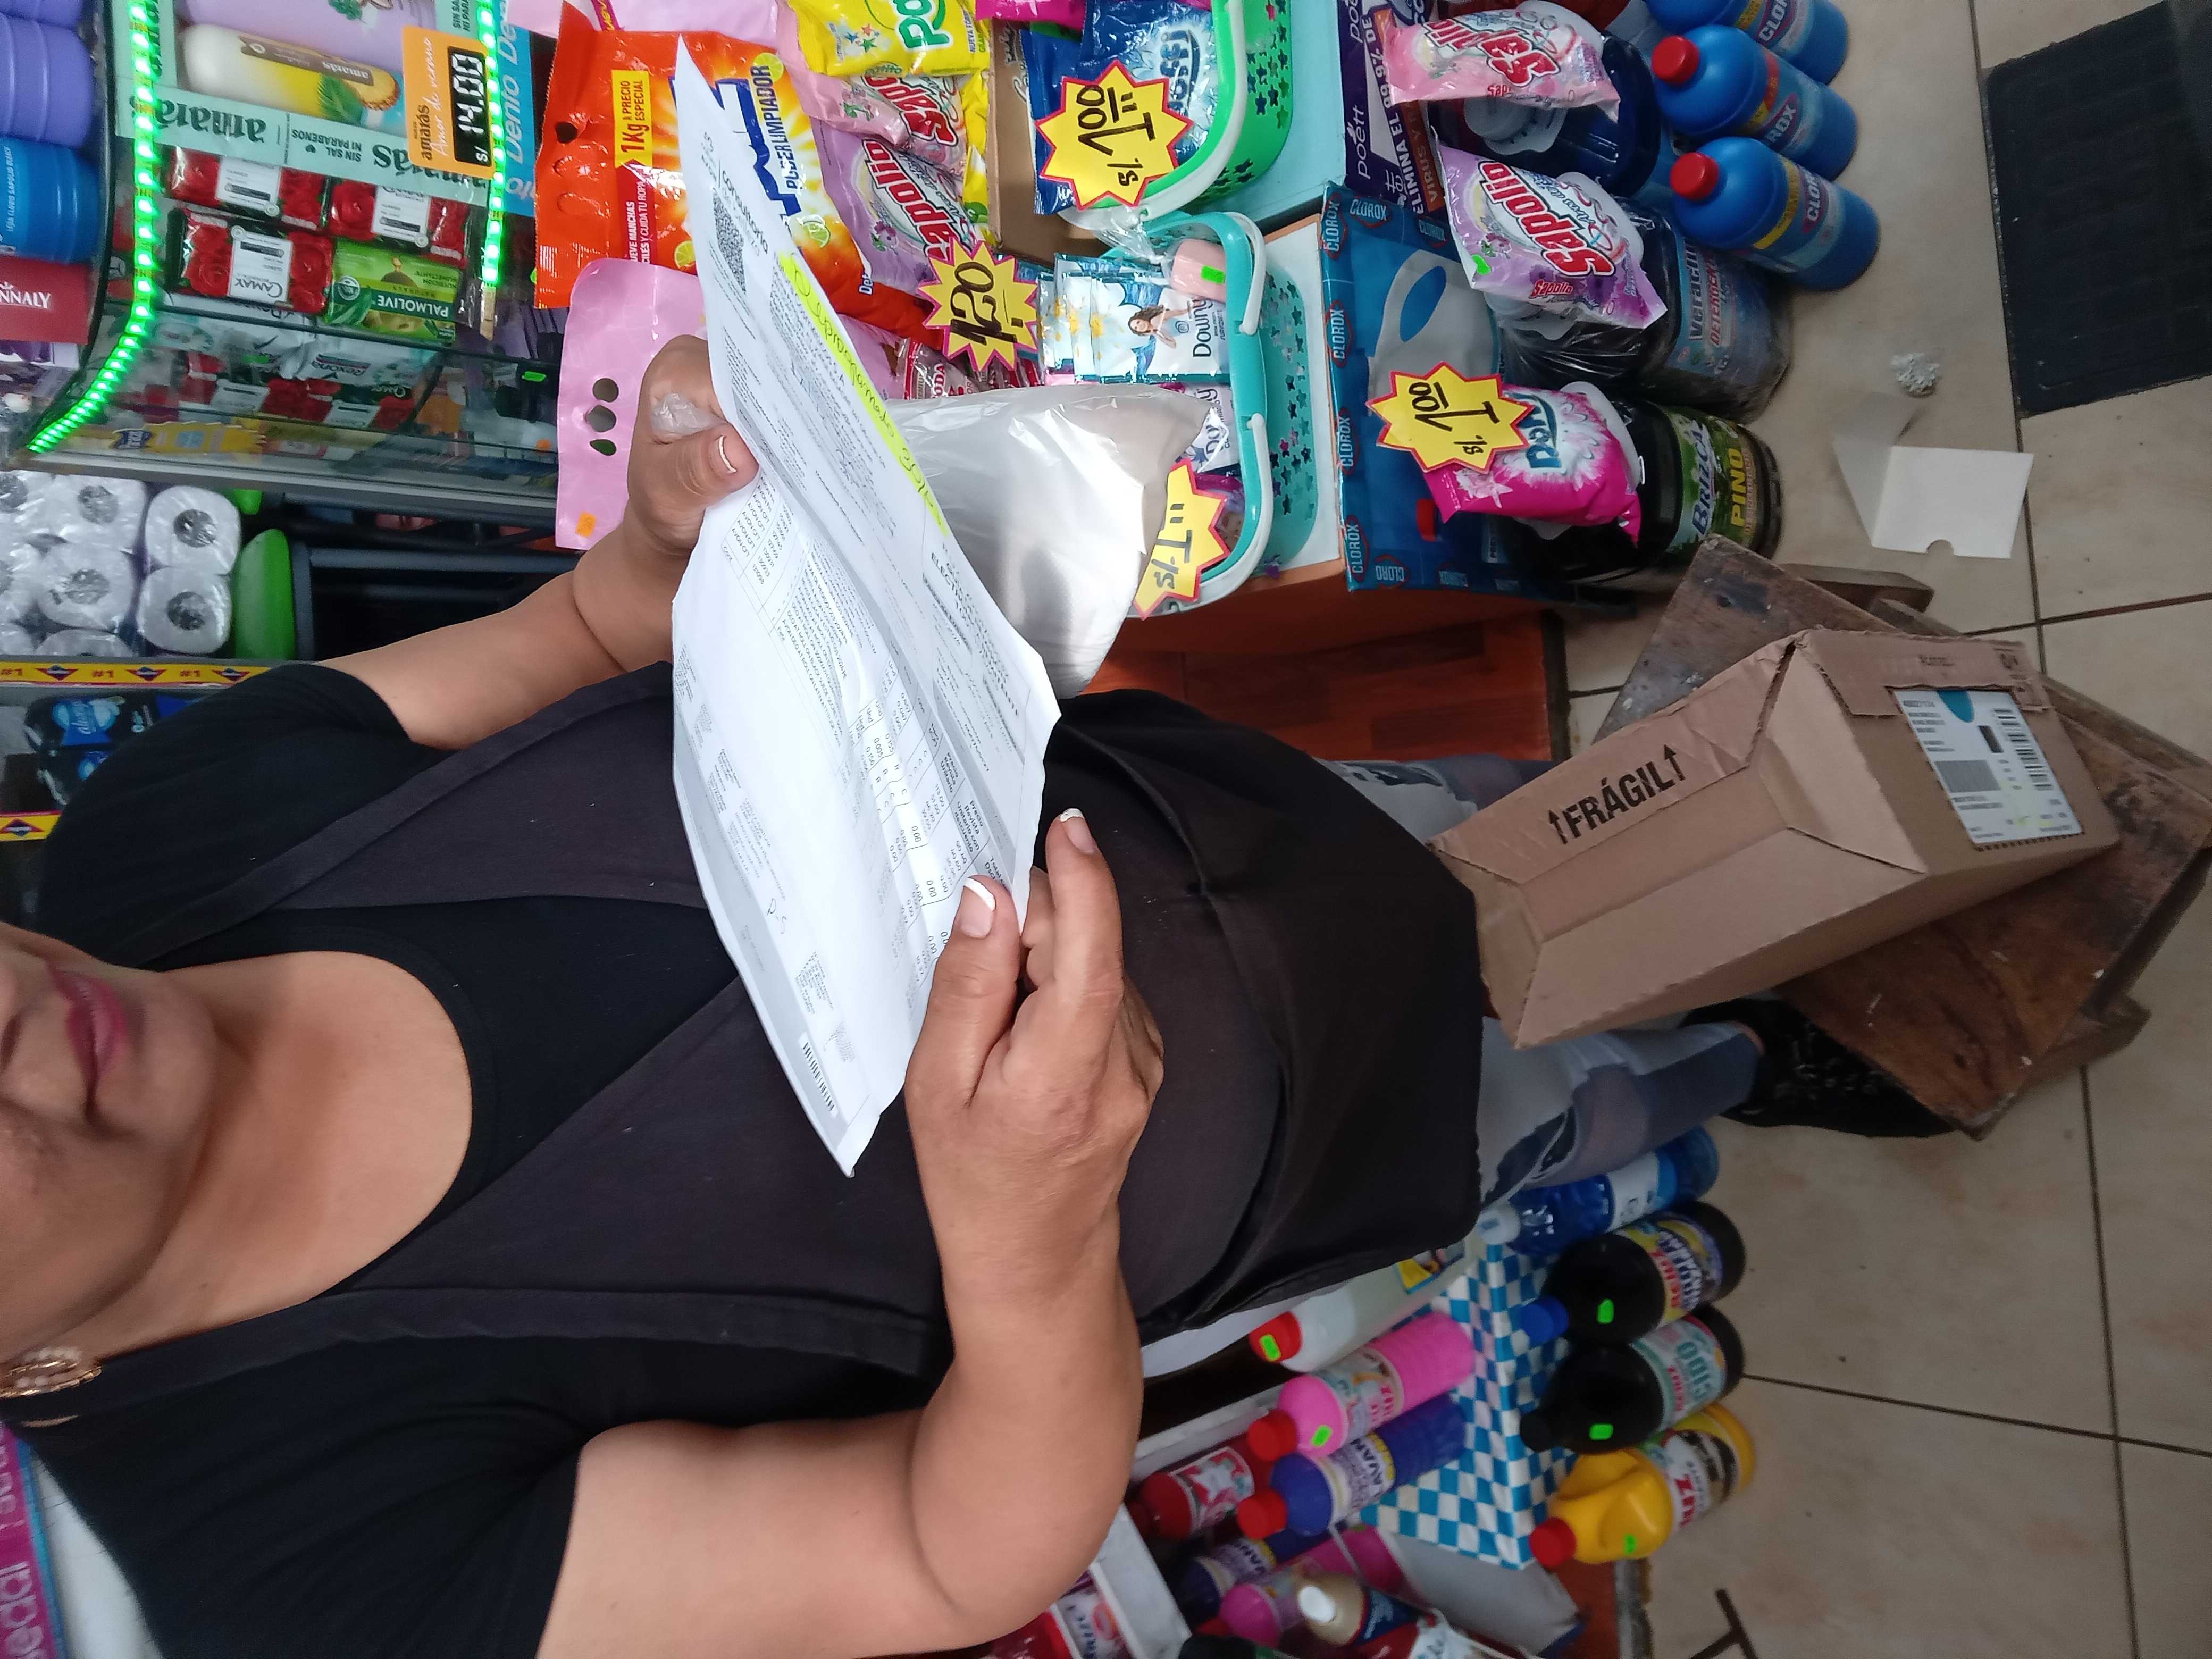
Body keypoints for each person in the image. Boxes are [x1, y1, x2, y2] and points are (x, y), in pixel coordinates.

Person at [0, 339, 1862, 1659]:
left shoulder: (151, 842)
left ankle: (1768, 885)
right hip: (1336, 1128)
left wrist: (671, 537)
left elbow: (579, 635)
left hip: (1238, 813)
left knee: (1563, 847)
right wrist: (1031, 1236)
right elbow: (938, 1548)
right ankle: (1759, 1049)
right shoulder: (301, 1563)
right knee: (1604, 1073)